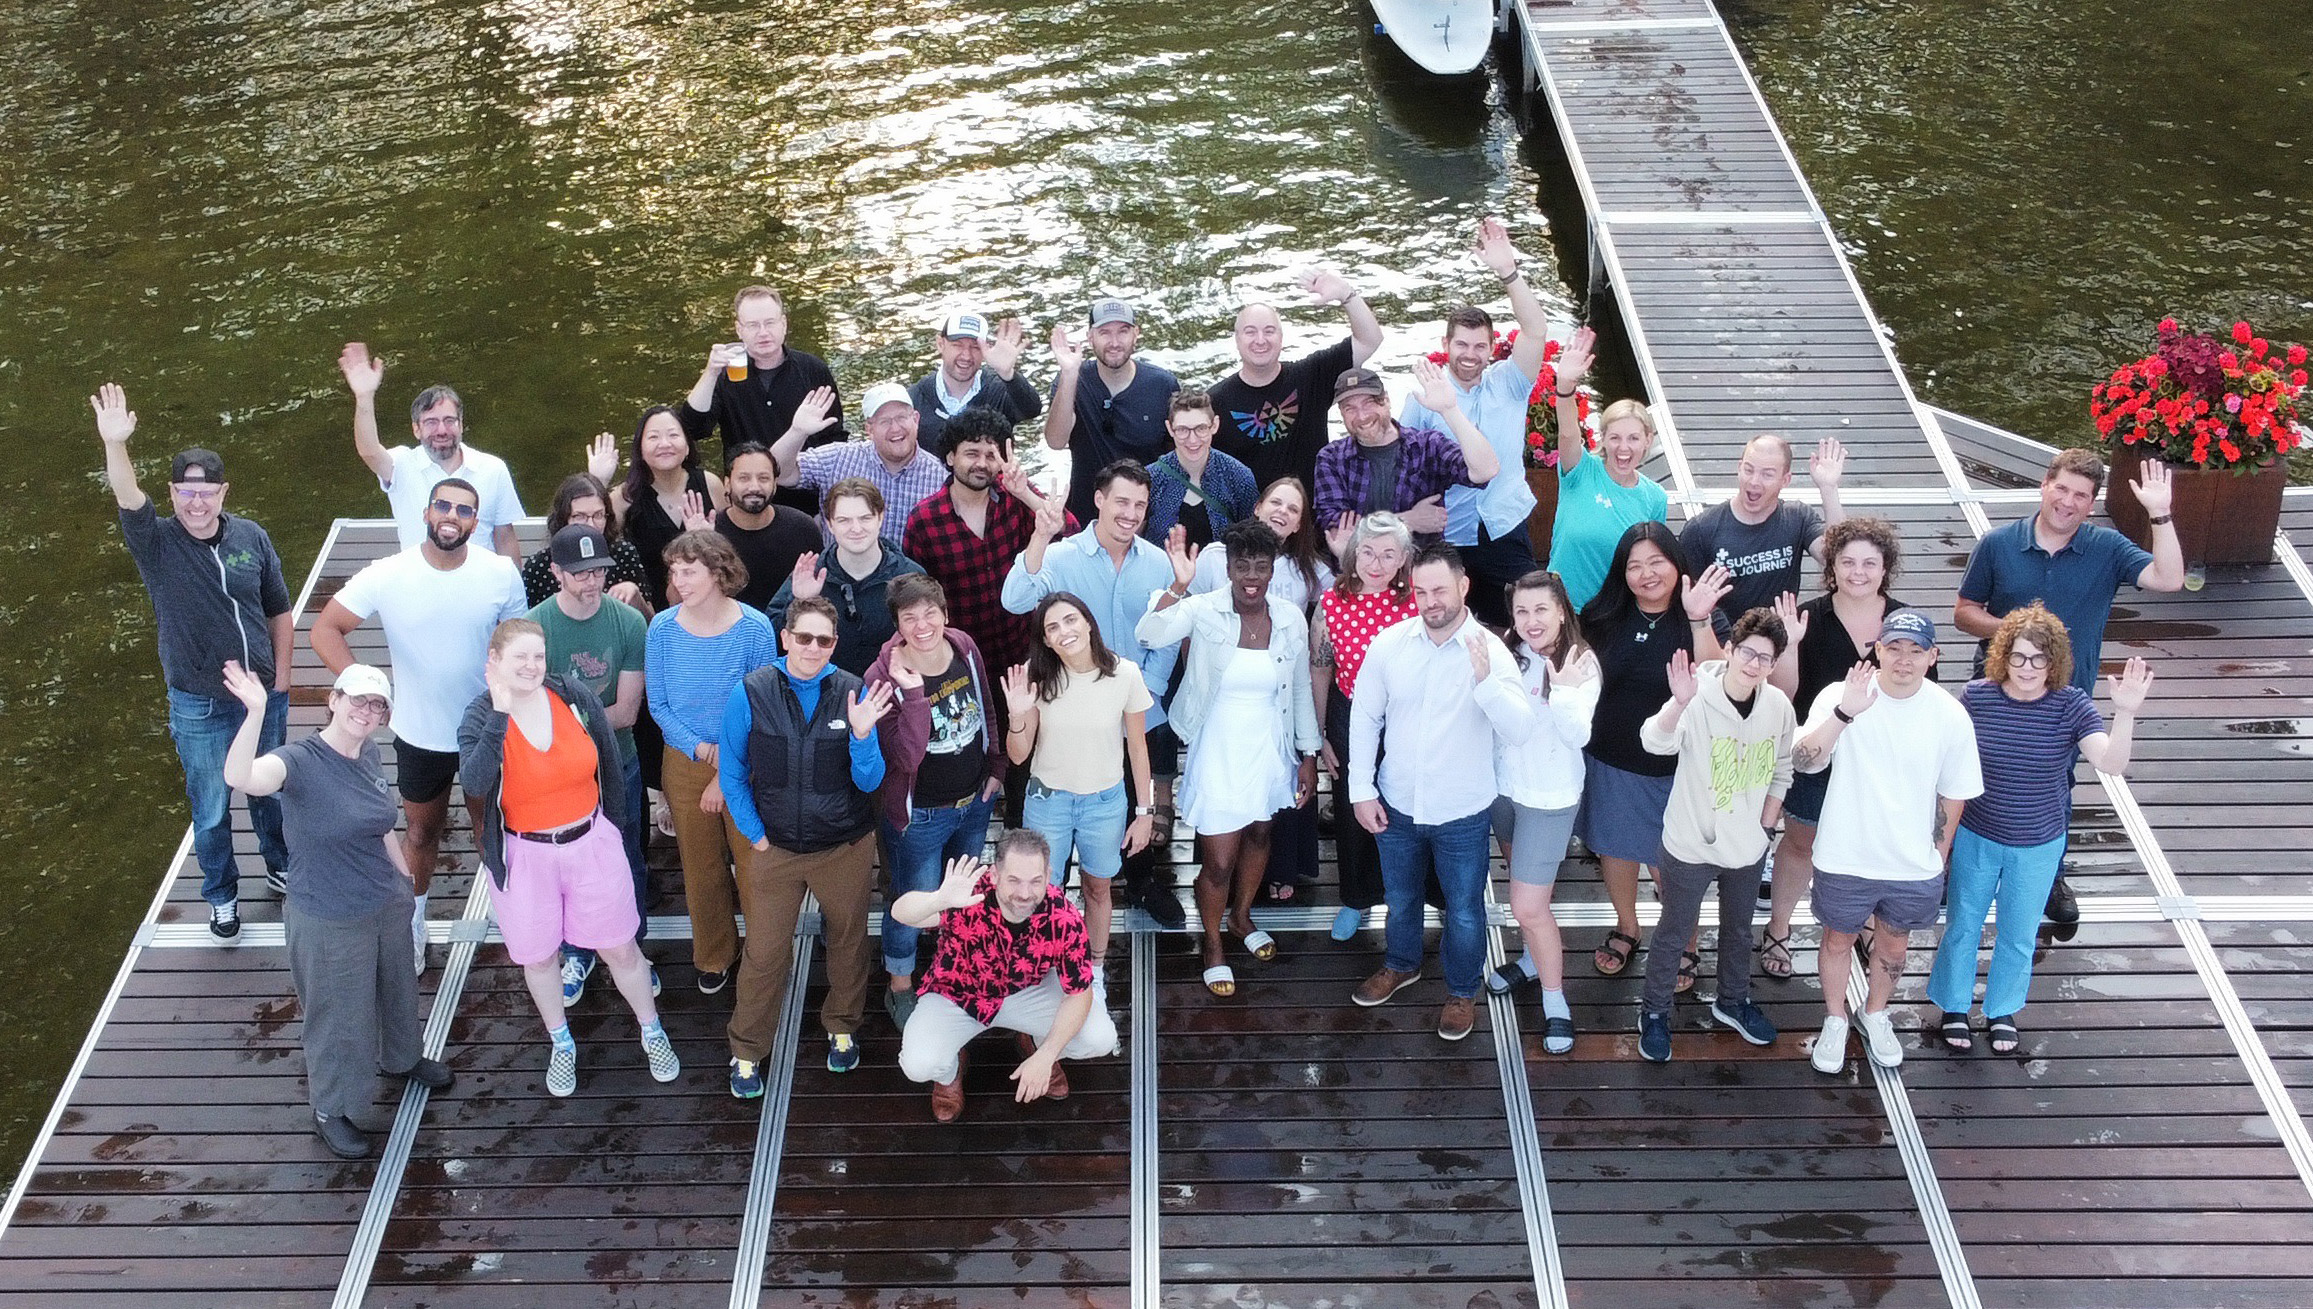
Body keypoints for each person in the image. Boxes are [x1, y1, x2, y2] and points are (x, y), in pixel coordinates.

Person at [220, 660, 450, 1158]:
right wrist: (256, 710)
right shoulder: (298, 761)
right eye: (356, 699)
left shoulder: (367, 753)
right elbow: (243, 777)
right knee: (336, 1015)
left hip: (383, 902)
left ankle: (403, 1058)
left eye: (377, 704)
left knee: (397, 989)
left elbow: (381, 822)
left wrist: (405, 879)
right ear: (333, 700)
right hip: (327, 914)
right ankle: (332, 1109)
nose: (365, 711)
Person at [94, 384, 293, 937]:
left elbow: (279, 610)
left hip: (261, 696)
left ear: (223, 492)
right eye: (185, 492)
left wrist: (282, 679)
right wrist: (116, 444)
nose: (196, 503)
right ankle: (221, 896)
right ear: (173, 494)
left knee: (270, 792)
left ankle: (281, 867)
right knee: (209, 809)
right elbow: (127, 494)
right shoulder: (156, 543)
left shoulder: (252, 537)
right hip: (198, 705)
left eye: (206, 492)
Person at [1954, 449, 2182, 925]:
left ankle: (2049, 874)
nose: (2068, 502)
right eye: (2062, 489)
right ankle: (1959, 863)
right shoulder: (1998, 544)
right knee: (1973, 774)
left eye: (2081, 495)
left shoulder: (2109, 548)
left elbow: (2170, 578)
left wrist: (2159, 512)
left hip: (2064, 696)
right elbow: (1964, 611)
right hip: (1995, 689)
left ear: (2092, 502)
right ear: (2044, 485)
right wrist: (2018, 637)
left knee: (2057, 783)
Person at [311, 477, 529, 970]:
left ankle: (515, 916)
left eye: (465, 510)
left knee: (489, 830)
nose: (453, 515)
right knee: (420, 833)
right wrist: (365, 686)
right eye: (444, 505)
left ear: (476, 521)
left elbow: (517, 644)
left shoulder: (500, 572)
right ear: (427, 514)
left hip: (485, 731)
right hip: (418, 734)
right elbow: (325, 629)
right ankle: (415, 919)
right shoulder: (388, 572)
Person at [458, 620, 679, 1096]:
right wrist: (500, 716)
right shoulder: (478, 717)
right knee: (539, 960)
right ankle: (562, 1043)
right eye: (519, 657)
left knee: (621, 947)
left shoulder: (573, 696)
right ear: (492, 663)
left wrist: (616, 833)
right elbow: (475, 781)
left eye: (538, 656)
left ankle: (651, 1029)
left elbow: (610, 763)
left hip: (590, 844)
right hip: (525, 856)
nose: (532, 666)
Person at [1928, 607, 2149, 1055]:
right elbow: (1940, 761)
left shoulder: (2071, 705)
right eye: (2018, 657)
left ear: (2055, 662)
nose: (2027, 668)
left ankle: (2001, 1008)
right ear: (2002, 656)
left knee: (2018, 931)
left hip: (2039, 843)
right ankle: (1953, 1005)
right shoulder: (1975, 698)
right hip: (1977, 834)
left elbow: (2111, 763)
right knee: (1962, 924)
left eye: (2039, 659)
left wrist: (2125, 713)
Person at [1347, 545, 1534, 1042]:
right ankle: (1402, 964)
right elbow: (1365, 716)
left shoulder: (1492, 652)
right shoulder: (1389, 644)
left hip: (1463, 812)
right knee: (1400, 898)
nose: (1430, 601)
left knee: (1465, 909)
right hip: (1397, 804)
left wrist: (1486, 683)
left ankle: (1460, 991)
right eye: (1421, 590)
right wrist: (1360, 789)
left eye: (1440, 590)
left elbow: (1519, 729)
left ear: (1464, 587)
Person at [717, 597, 896, 1095]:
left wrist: (862, 736)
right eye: (804, 638)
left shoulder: (853, 691)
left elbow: (871, 781)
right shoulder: (749, 692)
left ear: (834, 645)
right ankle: (747, 1050)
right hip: (774, 849)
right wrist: (755, 835)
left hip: (844, 846)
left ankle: (842, 1026)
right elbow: (731, 772)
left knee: (848, 941)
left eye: (823, 640)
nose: (812, 648)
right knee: (764, 951)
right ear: (785, 638)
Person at [1795, 610, 1984, 1074]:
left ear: (1933, 656)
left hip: (1912, 864)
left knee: (1895, 947)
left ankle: (1874, 1013)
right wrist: (1844, 713)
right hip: (1845, 853)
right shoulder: (1841, 694)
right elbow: (1804, 760)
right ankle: (1835, 1017)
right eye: (1894, 648)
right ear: (1877, 649)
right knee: (1837, 939)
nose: (1904, 659)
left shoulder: (1950, 714)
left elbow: (1955, 791)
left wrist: (1937, 856)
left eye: (1916, 650)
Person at [1138, 521, 1320, 997]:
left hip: (1270, 745)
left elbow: (1299, 687)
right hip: (1218, 746)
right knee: (1218, 860)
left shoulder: (1289, 617)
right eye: (1243, 565)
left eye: (1262, 564)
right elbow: (1149, 633)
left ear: (1273, 566)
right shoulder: (1202, 609)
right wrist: (1178, 585)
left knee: (1260, 831)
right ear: (1229, 567)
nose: (1252, 575)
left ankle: (1241, 917)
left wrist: (1308, 755)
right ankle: (1213, 942)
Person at [1001, 460, 1185, 929]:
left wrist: (1146, 692)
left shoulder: (1158, 562)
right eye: (1122, 501)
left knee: (1129, 797)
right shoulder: (1061, 556)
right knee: (1051, 814)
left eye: (1140, 505)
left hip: (1135, 704)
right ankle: (1044, 903)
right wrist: (1040, 535)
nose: (1131, 513)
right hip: (1065, 710)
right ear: (1099, 499)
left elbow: (1163, 636)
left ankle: (1141, 883)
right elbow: (1015, 599)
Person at [1759, 517, 1921, 981]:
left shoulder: (1905, 623)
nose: (1858, 572)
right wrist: (1788, 646)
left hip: (1880, 761)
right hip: (1816, 749)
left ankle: (1867, 924)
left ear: (1886, 567)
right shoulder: (1806, 616)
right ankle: (1778, 927)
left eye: (1870, 563)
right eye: (1847, 562)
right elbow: (1785, 693)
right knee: (1800, 843)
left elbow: (1920, 697)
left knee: (1870, 847)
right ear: (1831, 566)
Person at [1634, 611, 1795, 1062]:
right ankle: (1654, 1012)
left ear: (1774, 662)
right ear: (1729, 649)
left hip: (1747, 846)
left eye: (1765, 657)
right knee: (1674, 930)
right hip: (1690, 845)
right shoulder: (1698, 696)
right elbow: (1655, 742)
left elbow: (1783, 768)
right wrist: (1678, 704)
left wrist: (1765, 827)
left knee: (1739, 929)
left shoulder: (1779, 706)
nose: (1754, 663)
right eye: (1747, 651)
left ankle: (1732, 1001)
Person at [1575, 523, 1731, 988]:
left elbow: (1720, 680)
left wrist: (1700, 618)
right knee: (1616, 852)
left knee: (1674, 864)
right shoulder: (1600, 616)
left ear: (1676, 563)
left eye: (1656, 562)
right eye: (1634, 566)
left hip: (1678, 768)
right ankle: (1627, 926)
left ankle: (1683, 941)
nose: (1646, 575)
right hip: (1611, 760)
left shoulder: (1704, 617)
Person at [893, 835, 1119, 1124]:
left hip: (1027, 992)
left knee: (1100, 1037)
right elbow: (901, 913)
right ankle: (949, 1073)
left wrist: (1047, 1055)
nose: (1025, 893)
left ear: (1048, 875)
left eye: (1036, 881)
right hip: (957, 994)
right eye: (1014, 880)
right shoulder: (968, 895)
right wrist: (939, 899)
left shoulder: (1063, 916)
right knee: (918, 1064)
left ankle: (1037, 1047)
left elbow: (1079, 992)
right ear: (995, 874)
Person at [1396, 219, 1556, 626]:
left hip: (1505, 524)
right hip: (1450, 536)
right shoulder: (1424, 396)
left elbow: (1536, 328)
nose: (1470, 355)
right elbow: (1403, 467)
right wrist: (1411, 517)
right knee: (1446, 623)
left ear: (1491, 348)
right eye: (1461, 345)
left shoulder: (1511, 382)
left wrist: (1508, 271)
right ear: (1446, 345)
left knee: (1536, 617)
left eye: (1480, 346)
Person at [862, 576, 1006, 1030]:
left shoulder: (963, 645)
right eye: (910, 618)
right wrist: (915, 694)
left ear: (945, 613)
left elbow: (984, 706)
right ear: (897, 625)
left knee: (957, 898)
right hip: (920, 814)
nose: (922, 625)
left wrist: (998, 765)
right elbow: (904, 756)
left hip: (974, 802)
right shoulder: (881, 677)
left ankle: (950, 970)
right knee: (912, 903)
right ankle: (900, 987)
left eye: (930, 614)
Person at [645, 530, 779, 996]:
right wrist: (703, 751)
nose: (679, 580)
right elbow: (659, 705)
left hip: (747, 760)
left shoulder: (755, 628)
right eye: (675, 571)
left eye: (690, 570)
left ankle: (764, 956)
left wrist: (728, 767)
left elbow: (763, 704)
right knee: (700, 866)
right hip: (685, 761)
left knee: (755, 865)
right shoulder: (661, 628)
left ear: (719, 571)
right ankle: (715, 954)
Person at [1191, 477, 1334, 902]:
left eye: (1293, 509)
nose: (1282, 512)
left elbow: (1342, 598)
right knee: (1224, 823)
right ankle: (1221, 892)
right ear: (1258, 506)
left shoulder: (1310, 568)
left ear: (1299, 524)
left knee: (1275, 810)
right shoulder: (1217, 557)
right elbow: (1185, 623)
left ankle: (1270, 881)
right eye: (1276, 502)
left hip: (1279, 698)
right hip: (1226, 698)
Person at [526, 525, 651, 1005]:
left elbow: (627, 712)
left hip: (620, 766)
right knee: (566, 868)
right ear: (556, 572)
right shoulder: (535, 628)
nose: (590, 581)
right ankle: (577, 951)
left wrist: (571, 720)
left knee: (627, 858)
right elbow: (532, 713)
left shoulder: (629, 623)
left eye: (597, 569)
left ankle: (631, 948)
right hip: (560, 778)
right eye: (578, 573)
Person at [1004, 593, 1157, 968]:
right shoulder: (1037, 677)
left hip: (1104, 803)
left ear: (1088, 622)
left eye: (1070, 620)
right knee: (1043, 893)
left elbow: (1138, 749)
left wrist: (1145, 813)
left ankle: (1095, 970)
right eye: (1052, 628)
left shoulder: (1125, 674)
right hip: (1047, 802)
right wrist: (1016, 715)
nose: (1064, 632)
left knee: (1098, 888)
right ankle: (1046, 969)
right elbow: (1019, 755)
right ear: (1046, 640)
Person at [1486, 570, 1599, 1055]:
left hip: (1549, 799)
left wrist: (1567, 691)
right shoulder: (1507, 651)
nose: (1531, 621)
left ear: (1561, 610)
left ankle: (1555, 1000)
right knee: (1527, 889)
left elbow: (1577, 736)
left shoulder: (1580, 662)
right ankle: (1534, 962)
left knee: (1528, 907)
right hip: (1504, 793)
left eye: (1541, 610)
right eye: (1522, 611)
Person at [904, 406, 1074, 680]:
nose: (982, 463)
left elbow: (1067, 533)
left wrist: (1025, 495)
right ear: (950, 456)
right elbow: (915, 595)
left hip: (1024, 651)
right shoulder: (924, 520)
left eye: (992, 456)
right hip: (962, 658)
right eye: (972, 453)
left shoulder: (1015, 499)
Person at [1311, 513, 1419, 940]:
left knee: (1411, 808)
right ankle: (1356, 898)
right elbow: (1320, 668)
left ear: (1404, 559)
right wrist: (1319, 733)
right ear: (1353, 553)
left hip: (1408, 717)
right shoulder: (1331, 602)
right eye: (1368, 552)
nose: (1376, 564)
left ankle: (1420, 894)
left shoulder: (1415, 599)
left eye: (1388, 554)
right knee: (1350, 804)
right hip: (1350, 712)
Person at [1206, 265, 1382, 491]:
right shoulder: (1215, 401)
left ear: (1281, 337)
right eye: (1250, 332)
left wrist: (1346, 294)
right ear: (1237, 338)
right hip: (1252, 522)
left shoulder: (1311, 376)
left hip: (1314, 515)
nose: (1260, 340)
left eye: (1269, 331)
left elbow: (1370, 340)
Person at [339, 343, 524, 557]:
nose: (442, 430)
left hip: (479, 583)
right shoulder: (401, 464)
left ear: (461, 424)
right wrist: (364, 397)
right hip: (419, 583)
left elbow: (505, 536)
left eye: (449, 420)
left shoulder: (493, 468)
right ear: (416, 429)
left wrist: (514, 588)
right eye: (431, 422)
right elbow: (368, 451)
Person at [679, 284, 845, 515]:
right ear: (739, 330)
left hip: (805, 495)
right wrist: (710, 373)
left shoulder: (812, 370)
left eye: (770, 323)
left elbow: (835, 438)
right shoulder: (725, 374)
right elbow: (693, 429)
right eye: (753, 325)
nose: (763, 332)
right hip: (746, 496)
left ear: (784, 324)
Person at [1545, 329, 1668, 609]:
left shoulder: (1655, 498)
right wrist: (1565, 385)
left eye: (1633, 438)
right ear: (1603, 439)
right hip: (1562, 607)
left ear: (1648, 440)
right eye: (1615, 438)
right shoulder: (1580, 470)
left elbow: (1650, 561)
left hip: (1612, 613)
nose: (1623, 448)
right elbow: (1567, 432)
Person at [1313, 361, 1501, 538]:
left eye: (1369, 403)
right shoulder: (1331, 458)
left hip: (1420, 565)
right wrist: (1406, 521)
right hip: (1359, 564)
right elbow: (1336, 531)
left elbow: (1486, 471)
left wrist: (1450, 410)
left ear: (1386, 400)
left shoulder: (1427, 446)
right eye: (1349, 409)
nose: (1361, 416)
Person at [1678, 434, 1850, 622]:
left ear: (1785, 480)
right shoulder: (1700, 529)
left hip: (1780, 639)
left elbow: (1838, 559)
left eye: (1767, 474)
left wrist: (1828, 488)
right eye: (1748, 470)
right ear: (1739, 468)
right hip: (1724, 644)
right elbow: (1687, 600)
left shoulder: (1797, 517)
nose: (1754, 481)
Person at [766, 479, 927, 675]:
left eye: (865, 518)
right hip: (825, 693)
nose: (856, 528)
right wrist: (799, 601)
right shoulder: (810, 574)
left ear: (881, 517)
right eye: (844, 520)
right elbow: (772, 640)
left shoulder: (909, 576)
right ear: (830, 524)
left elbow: (929, 640)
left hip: (891, 694)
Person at [1043, 299, 1181, 524]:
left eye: (1123, 332)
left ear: (1136, 334)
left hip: (1144, 516)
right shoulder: (1072, 381)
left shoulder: (1163, 385)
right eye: (1105, 333)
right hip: (1086, 514)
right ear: (1090, 337)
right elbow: (1056, 441)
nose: (1115, 342)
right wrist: (1069, 375)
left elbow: (1178, 457)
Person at [771, 382, 950, 541]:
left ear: (916, 419)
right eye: (884, 421)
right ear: (869, 430)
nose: (895, 428)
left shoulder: (942, 477)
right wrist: (797, 431)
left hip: (909, 577)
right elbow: (777, 473)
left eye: (901, 417)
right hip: (840, 576)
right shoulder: (836, 458)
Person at [613, 405, 729, 610]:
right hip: (649, 610)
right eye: (653, 437)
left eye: (673, 435)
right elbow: (599, 540)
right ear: (639, 448)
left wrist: (704, 540)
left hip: (706, 603)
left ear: (687, 446)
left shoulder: (710, 484)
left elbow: (730, 551)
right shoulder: (624, 497)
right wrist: (598, 479)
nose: (664, 444)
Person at [907, 312, 1043, 456]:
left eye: (975, 347)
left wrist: (1008, 374)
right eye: (957, 345)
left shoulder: (999, 390)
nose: (966, 356)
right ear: (941, 344)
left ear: (985, 350)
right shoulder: (914, 397)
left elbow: (1032, 409)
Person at [711, 442, 821, 612]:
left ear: (775, 483)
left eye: (763, 478)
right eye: (744, 478)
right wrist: (697, 550)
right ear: (727, 483)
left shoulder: (803, 528)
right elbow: (677, 599)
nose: (754, 487)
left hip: (789, 631)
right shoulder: (709, 532)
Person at [520, 472, 652, 612]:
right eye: (579, 516)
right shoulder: (539, 566)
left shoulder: (623, 554)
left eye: (598, 515)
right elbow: (529, 625)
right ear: (563, 519)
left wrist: (635, 595)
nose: (591, 525)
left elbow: (650, 625)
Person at [1142, 389, 1258, 546]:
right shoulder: (1150, 478)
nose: (1192, 439)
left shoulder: (1238, 476)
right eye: (1182, 430)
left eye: (1201, 428)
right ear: (1170, 429)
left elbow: (1252, 538)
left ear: (1214, 425)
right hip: (1162, 570)